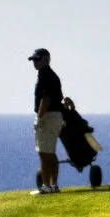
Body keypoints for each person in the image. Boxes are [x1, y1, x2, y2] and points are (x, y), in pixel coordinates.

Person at [30, 48, 67, 194]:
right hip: (55, 116)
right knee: (50, 152)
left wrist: (39, 117)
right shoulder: (50, 75)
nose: (35, 63)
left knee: (44, 152)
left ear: (46, 59)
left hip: (48, 116)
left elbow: (45, 99)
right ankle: (53, 185)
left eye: (37, 59)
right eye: (33, 60)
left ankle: (46, 186)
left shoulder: (46, 76)